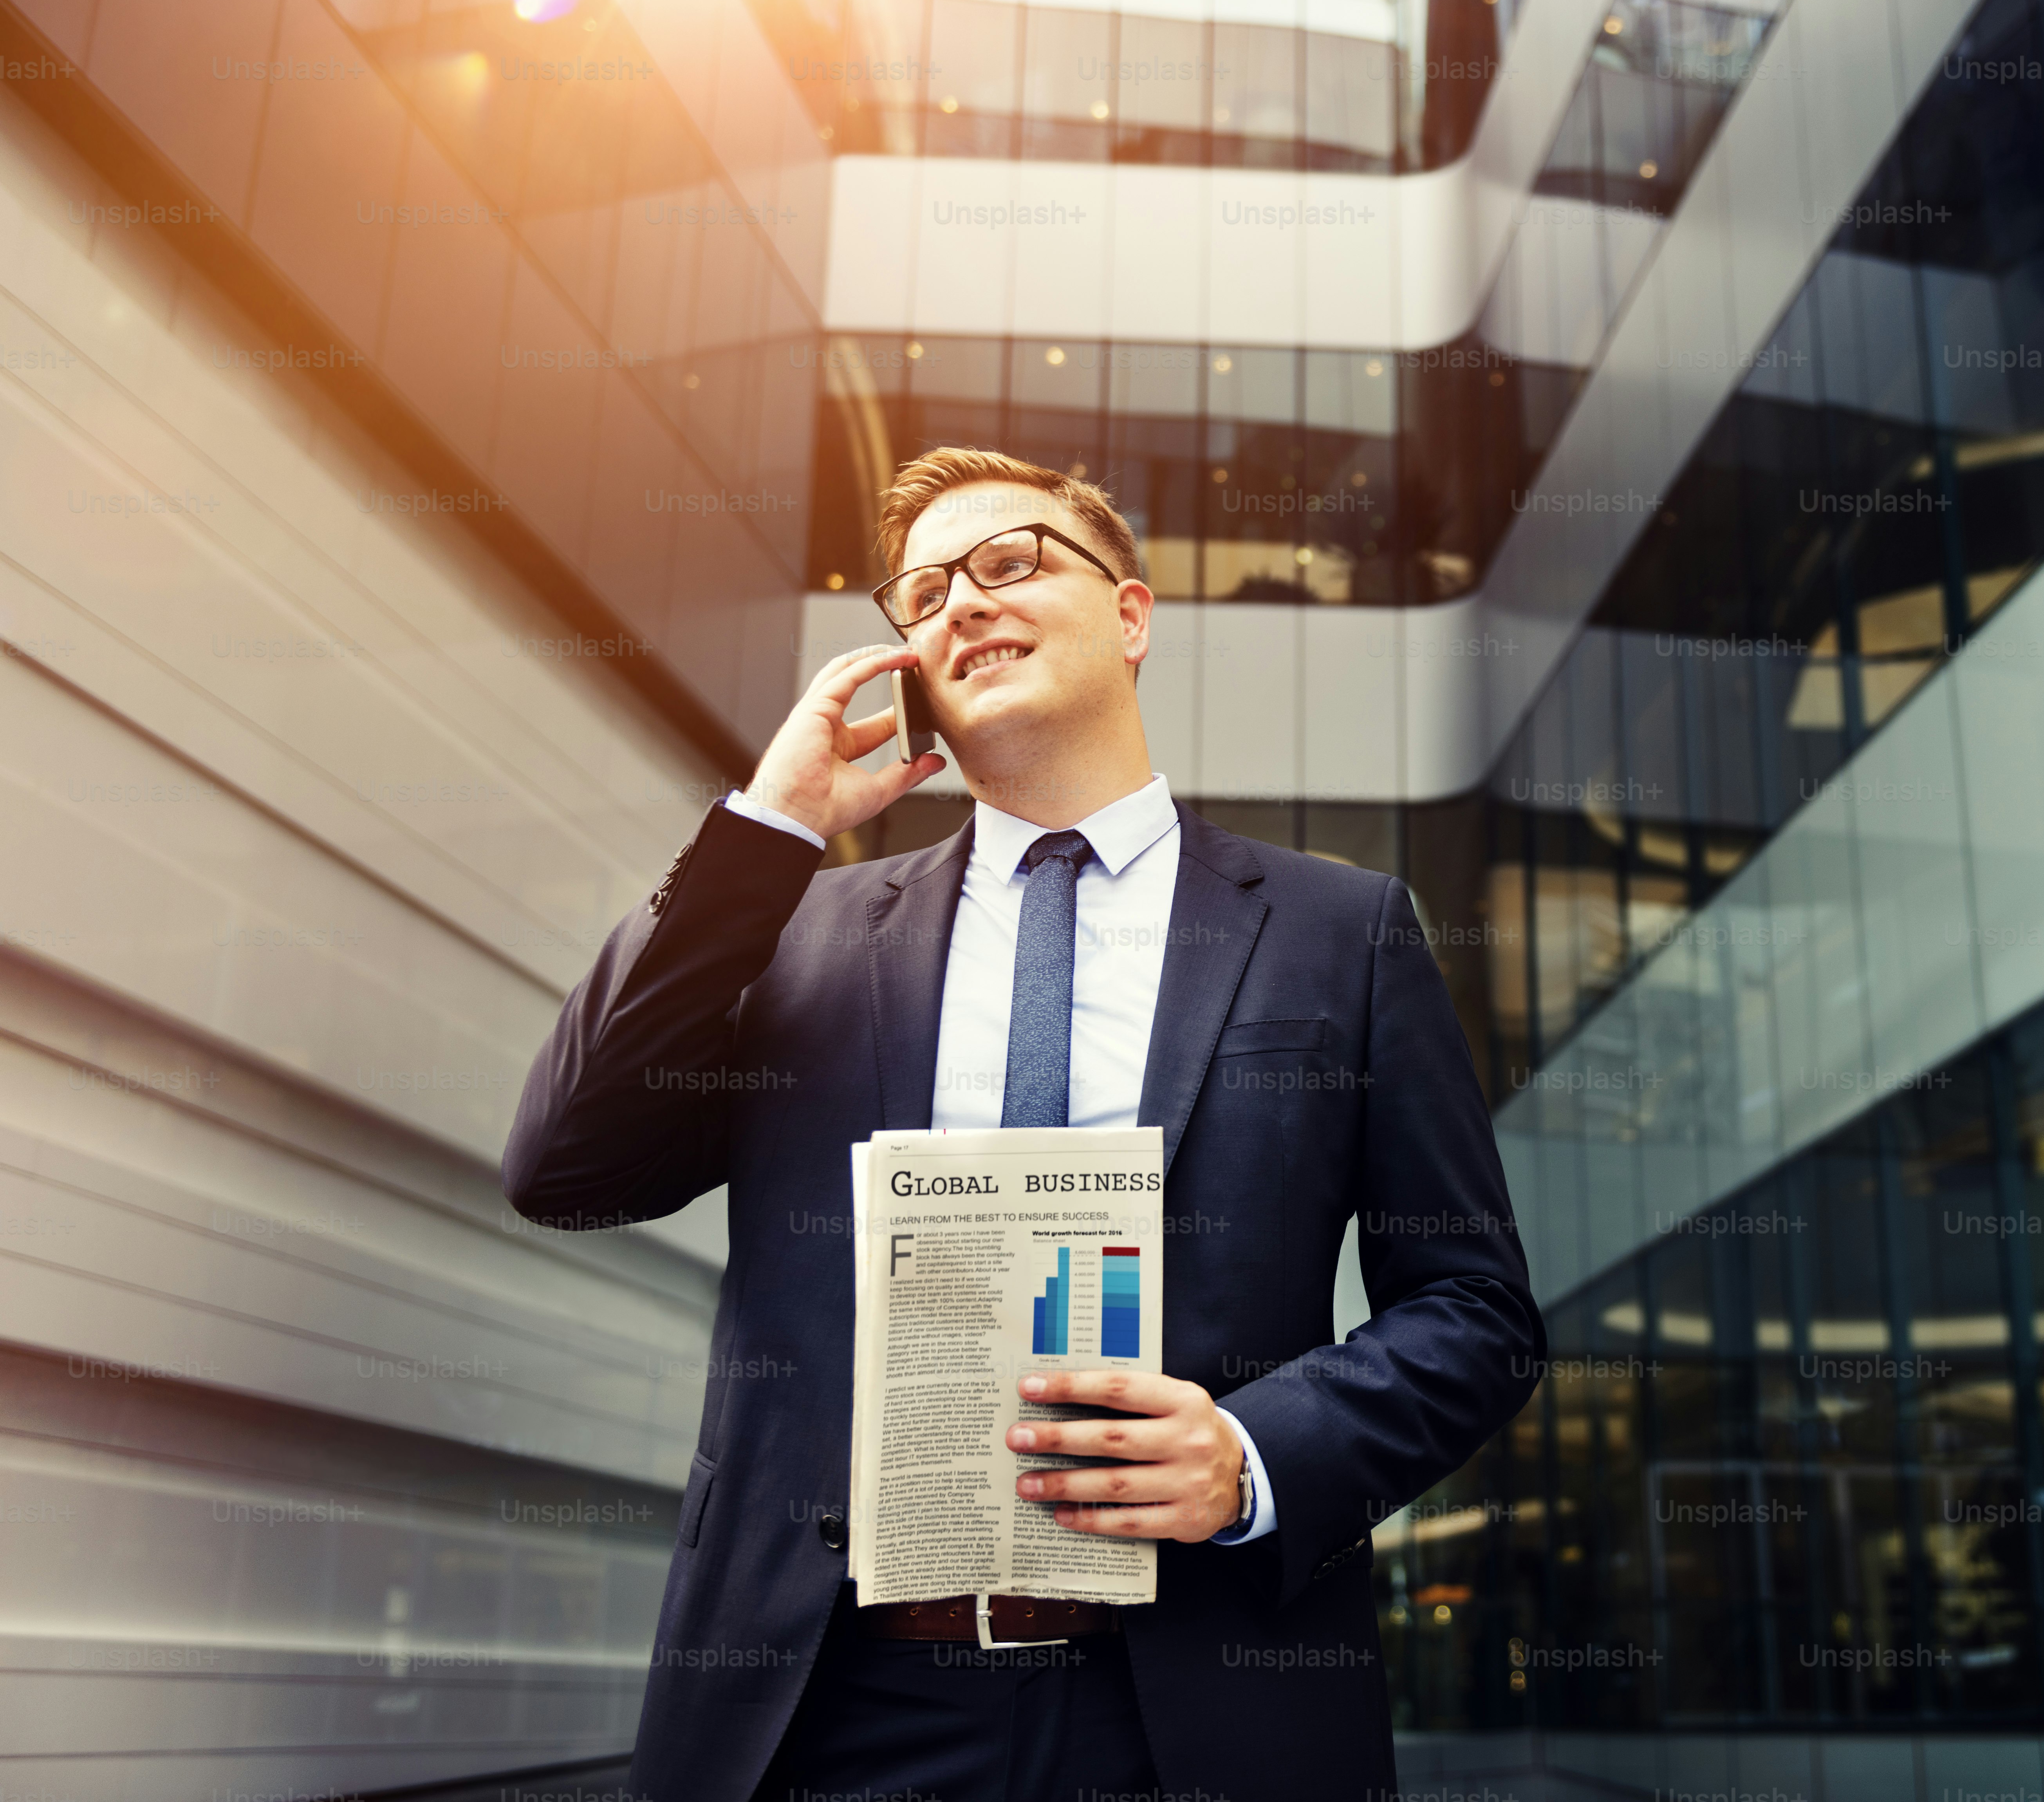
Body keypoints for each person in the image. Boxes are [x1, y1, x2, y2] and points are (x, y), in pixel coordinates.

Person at [502, 447, 1545, 1802]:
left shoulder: (1340, 934)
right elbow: (565, 1167)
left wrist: (1249, 1457)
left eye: (1011, 562)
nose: (961, 604)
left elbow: (1475, 1311)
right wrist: (771, 827)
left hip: (1193, 1701)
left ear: (1130, 615)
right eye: (923, 594)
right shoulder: (803, 932)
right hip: (830, 1705)